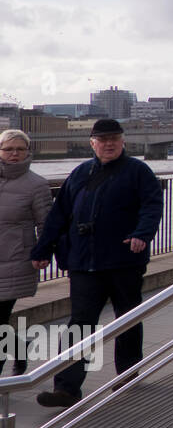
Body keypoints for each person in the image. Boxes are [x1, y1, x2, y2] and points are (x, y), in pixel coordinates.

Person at [30, 119, 163, 406]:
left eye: (114, 138)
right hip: (83, 262)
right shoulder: (79, 174)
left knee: (126, 317)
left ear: (123, 141)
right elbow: (58, 216)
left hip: (124, 259)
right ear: (92, 143)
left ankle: (127, 374)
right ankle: (66, 388)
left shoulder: (138, 172)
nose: (109, 143)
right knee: (80, 323)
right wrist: (43, 250)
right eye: (102, 140)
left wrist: (142, 234)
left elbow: (152, 206)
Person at [1, 130, 51, 377]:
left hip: (15, 261)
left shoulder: (37, 185)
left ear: (28, 152)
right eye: (8, 149)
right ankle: (20, 348)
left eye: (20, 149)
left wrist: (44, 253)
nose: (14, 154)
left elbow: (46, 225)